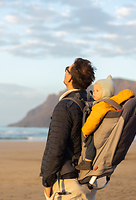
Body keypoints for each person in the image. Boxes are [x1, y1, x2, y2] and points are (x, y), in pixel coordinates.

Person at [40, 58, 97, 200]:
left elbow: (55, 148)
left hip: (68, 185)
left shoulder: (65, 106)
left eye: (67, 68)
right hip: (87, 181)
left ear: (69, 77)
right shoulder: (92, 104)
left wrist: (47, 181)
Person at [76, 75, 135, 170]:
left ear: (106, 92)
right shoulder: (114, 103)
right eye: (94, 90)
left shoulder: (101, 105)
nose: (94, 93)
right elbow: (127, 94)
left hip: (100, 136)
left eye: (97, 91)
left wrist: (85, 131)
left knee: (90, 139)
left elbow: (93, 121)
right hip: (110, 134)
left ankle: (87, 161)